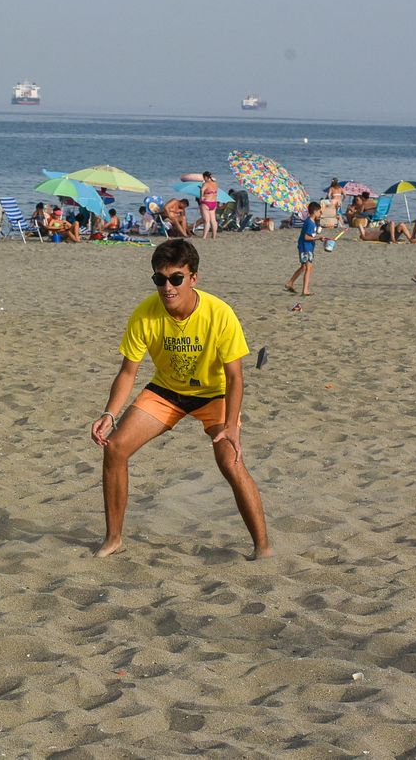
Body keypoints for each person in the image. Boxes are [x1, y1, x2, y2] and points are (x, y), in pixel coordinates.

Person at [89, 239, 272, 559]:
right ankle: (113, 538)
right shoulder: (145, 313)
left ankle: (263, 547)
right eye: (160, 279)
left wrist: (231, 426)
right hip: (167, 392)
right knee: (115, 448)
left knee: (230, 461)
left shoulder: (220, 314)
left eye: (176, 278)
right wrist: (109, 413)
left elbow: (235, 377)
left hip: (214, 394)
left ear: (193, 278)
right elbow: (128, 372)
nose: (167, 287)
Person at [284, 201, 322, 296]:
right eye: (319, 211)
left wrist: (317, 236)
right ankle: (305, 290)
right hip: (305, 247)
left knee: (304, 267)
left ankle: (290, 283)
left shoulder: (311, 222)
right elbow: (306, 237)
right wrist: (318, 238)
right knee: (309, 267)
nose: (320, 213)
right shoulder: (310, 222)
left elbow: (310, 235)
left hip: (307, 247)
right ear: (315, 211)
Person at [198, 172, 220, 239]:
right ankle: (214, 236)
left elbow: (202, 190)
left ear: (206, 177)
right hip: (213, 202)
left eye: (204, 178)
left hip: (206, 202)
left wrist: (201, 197)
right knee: (213, 220)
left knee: (207, 221)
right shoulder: (215, 184)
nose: (203, 179)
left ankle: (204, 237)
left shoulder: (206, 184)